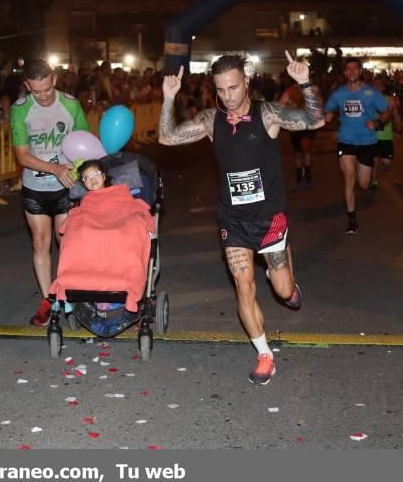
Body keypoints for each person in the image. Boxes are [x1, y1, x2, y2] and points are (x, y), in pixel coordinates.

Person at [158, 52, 325, 385]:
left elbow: (315, 120)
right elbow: (166, 137)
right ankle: (264, 354)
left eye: (233, 88)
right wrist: (168, 99)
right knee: (243, 287)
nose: (227, 97)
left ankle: (287, 279)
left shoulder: (269, 114)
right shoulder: (210, 120)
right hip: (232, 221)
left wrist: (305, 82)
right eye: (220, 90)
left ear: (246, 82)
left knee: (282, 291)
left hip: (269, 219)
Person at [11, 58, 90, 327]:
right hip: (35, 186)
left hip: (66, 187)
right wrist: (54, 168)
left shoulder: (70, 104)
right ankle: (48, 301)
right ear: (27, 86)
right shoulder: (20, 110)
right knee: (40, 241)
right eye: (36, 91)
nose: (43, 96)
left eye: (46, 89)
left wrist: (76, 168)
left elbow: (85, 145)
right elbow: (22, 156)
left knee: (65, 240)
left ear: (54, 79)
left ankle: (68, 291)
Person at [324, 57, 390, 235]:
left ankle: (368, 176)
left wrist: (376, 123)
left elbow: (386, 111)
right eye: (348, 69)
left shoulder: (371, 93)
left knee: (362, 184)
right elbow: (328, 110)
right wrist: (326, 116)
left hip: (367, 142)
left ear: (360, 71)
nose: (352, 71)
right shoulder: (338, 94)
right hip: (345, 140)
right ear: (345, 73)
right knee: (349, 177)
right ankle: (352, 220)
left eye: (355, 68)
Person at [279, 76, 315, 188]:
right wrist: (290, 103)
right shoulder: (290, 90)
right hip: (297, 124)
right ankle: (301, 175)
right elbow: (280, 105)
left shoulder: (310, 89)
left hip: (305, 124)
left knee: (303, 150)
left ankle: (305, 175)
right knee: (301, 151)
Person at [370, 76, 402, 191]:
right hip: (372, 137)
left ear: (383, 87)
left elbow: (397, 116)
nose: (377, 87)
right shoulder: (368, 100)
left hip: (386, 137)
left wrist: (399, 130)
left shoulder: (390, 100)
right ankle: (374, 182)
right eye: (375, 85)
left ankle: (384, 164)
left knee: (387, 162)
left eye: (380, 85)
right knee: (373, 161)